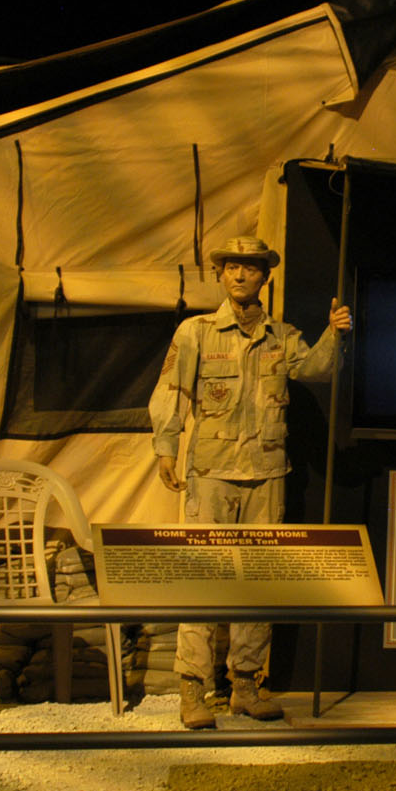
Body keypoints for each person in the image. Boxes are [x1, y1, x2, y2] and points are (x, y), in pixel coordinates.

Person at [148, 235, 353, 728]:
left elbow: (318, 371)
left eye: (251, 268)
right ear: (221, 275)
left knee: (257, 580)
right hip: (212, 474)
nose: (240, 275)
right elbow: (171, 391)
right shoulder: (195, 332)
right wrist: (166, 446)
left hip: (266, 475)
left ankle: (244, 684)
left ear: (265, 277)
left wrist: (334, 333)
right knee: (201, 582)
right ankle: (194, 690)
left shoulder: (282, 337)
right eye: (232, 267)